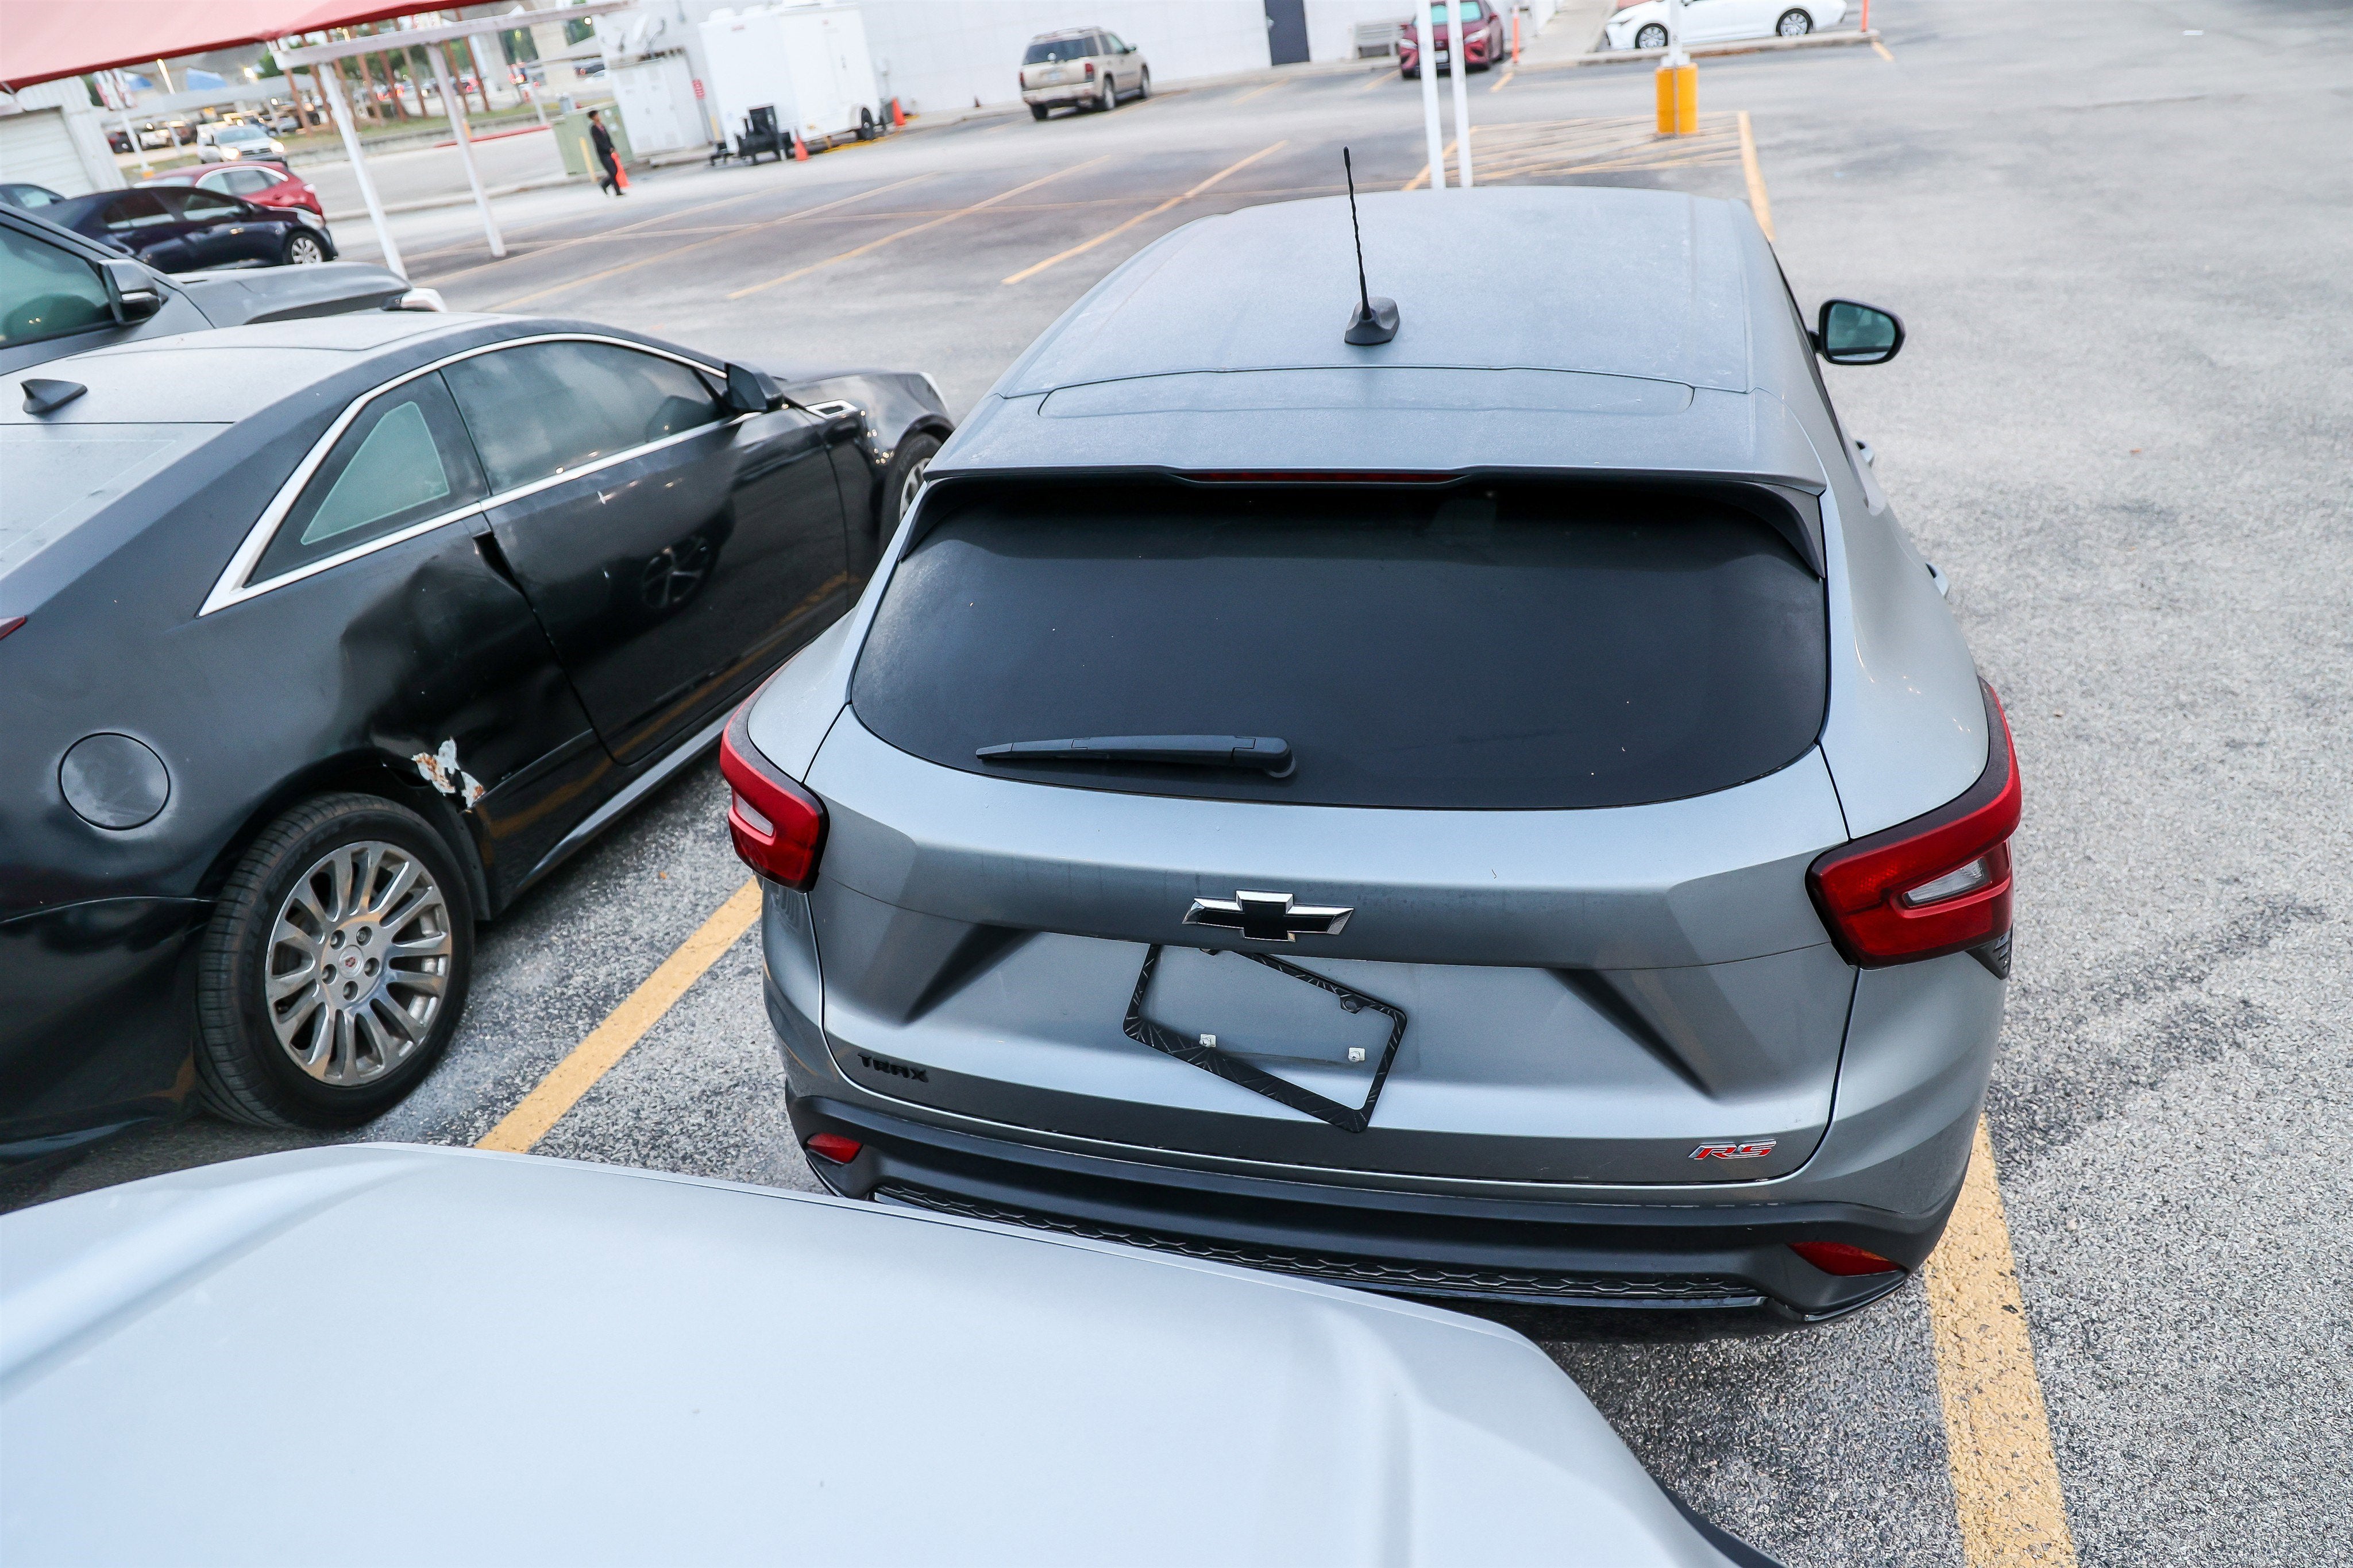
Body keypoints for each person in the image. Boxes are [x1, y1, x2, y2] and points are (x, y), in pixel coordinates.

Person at [589, 109, 623, 196]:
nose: (599, 117)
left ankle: (605, 184)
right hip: (603, 154)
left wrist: (614, 149)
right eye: (597, 115)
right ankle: (617, 191)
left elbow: (609, 139)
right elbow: (599, 142)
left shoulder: (602, 126)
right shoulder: (593, 129)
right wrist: (608, 149)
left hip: (610, 152)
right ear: (593, 118)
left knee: (615, 170)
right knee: (612, 171)